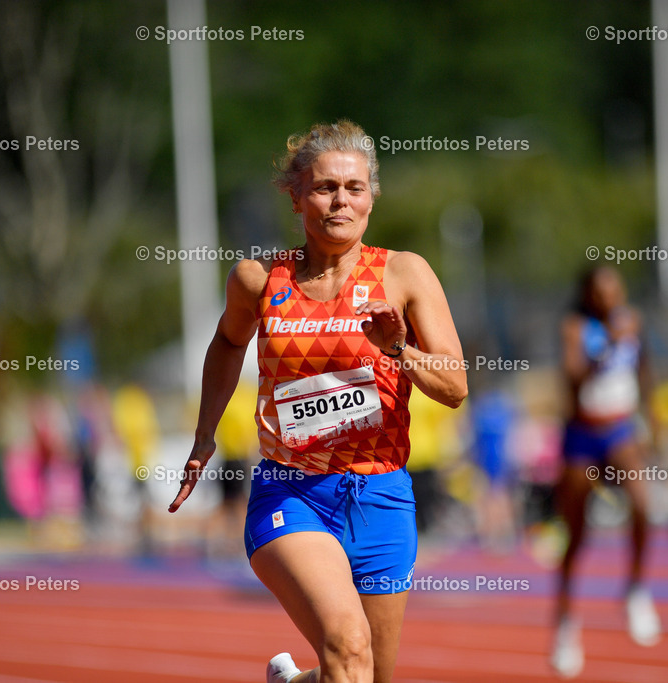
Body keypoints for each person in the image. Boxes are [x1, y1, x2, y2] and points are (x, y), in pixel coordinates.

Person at [168, 120, 467, 683]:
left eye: (355, 188)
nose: (341, 200)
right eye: (326, 187)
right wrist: (205, 435)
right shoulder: (258, 280)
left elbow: (454, 388)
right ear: (296, 195)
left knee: (365, 674)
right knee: (348, 647)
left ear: (372, 197)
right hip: (291, 491)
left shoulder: (404, 274)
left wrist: (398, 349)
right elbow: (229, 341)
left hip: (380, 494)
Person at [551, 266, 660, 678]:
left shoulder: (633, 322)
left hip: (621, 429)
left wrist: (656, 421)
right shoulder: (575, 327)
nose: (611, 298)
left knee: (643, 505)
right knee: (576, 536)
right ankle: (565, 624)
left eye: (616, 290)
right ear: (589, 294)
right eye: (602, 292)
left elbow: (645, 372)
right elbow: (572, 378)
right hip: (582, 434)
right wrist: (603, 350)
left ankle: (634, 588)